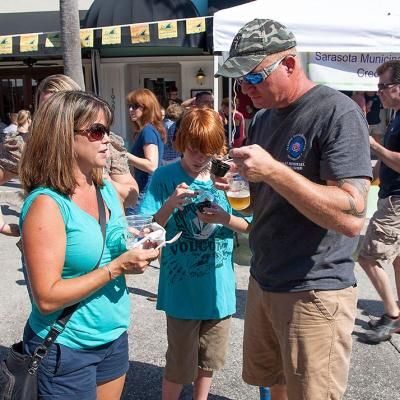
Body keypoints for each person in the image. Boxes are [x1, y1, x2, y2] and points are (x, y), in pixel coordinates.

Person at [215, 18, 371, 400]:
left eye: (253, 77)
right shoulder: (264, 119)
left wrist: (273, 171)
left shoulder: (337, 113)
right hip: (265, 279)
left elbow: (352, 217)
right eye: (240, 82)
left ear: (288, 64)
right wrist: (239, 179)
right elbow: (265, 198)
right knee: (274, 386)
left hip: (314, 290)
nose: (246, 90)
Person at [19, 90, 159, 399]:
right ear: (62, 136)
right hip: (65, 347)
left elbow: (116, 246)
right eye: (96, 131)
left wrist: (139, 247)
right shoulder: (47, 203)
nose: (107, 138)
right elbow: (46, 298)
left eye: (108, 129)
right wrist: (116, 268)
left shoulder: (104, 187)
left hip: (112, 337)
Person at [139, 108, 250, 400]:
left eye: (209, 151)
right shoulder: (165, 176)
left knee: (209, 361)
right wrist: (171, 204)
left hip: (219, 292)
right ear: (180, 141)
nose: (200, 157)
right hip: (181, 291)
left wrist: (224, 219)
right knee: (178, 364)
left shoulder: (227, 177)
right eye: (193, 149)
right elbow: (146, 226)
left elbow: (249, 224)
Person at [35, 74, 138, 208]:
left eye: (62, 107)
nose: (56, 116)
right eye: (47, 109)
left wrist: (102, 182)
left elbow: (131, 196)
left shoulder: (102, 140)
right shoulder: (31, 145)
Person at [358, 60, 400, 343]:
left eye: (384, 86)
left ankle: (392, 315)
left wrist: (374, 146)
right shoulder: (396, 115)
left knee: (367, 257)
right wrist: (368, 175)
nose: (379, 91)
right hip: (391, 194)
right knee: (397, 260)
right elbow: (385, 164)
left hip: (396, 201)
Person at [126, 88, 166, 212]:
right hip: (146, 191)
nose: (130, 110)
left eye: (135, 106)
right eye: (130, 106)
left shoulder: (147, 131)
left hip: (144, 193)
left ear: (147, 108)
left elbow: (151, 165)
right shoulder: (148, 130)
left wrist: (123, 155)